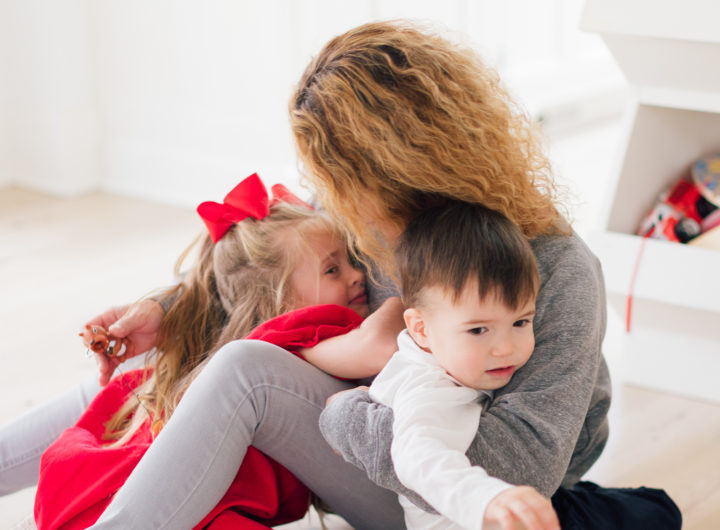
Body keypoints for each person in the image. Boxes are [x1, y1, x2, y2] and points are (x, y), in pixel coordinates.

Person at [9, 20, 678, 530]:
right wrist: (175, 310)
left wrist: (345, 410)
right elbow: (274, 265)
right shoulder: (366, 219)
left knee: (244, 372)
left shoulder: (556, 273)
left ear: (404, 173)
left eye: (341, 181)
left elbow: (514, 470)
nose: (331, 198)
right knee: (167, 366)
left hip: (450, 498)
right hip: (379, 419)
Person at [30, 173, 385, 529]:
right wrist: (408, 301)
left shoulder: (279, 337)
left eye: (351, 261)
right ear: (280, 299)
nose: (358, 275)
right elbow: (376, 345)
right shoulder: (307, 329)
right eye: (333, 269)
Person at [366, 200, 558, 530]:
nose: (506, 348)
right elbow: (417, 455)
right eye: (478, 329)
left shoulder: (452, 359)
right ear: (421, 330)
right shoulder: (429, 386)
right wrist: (486, 498)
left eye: (521, 322)